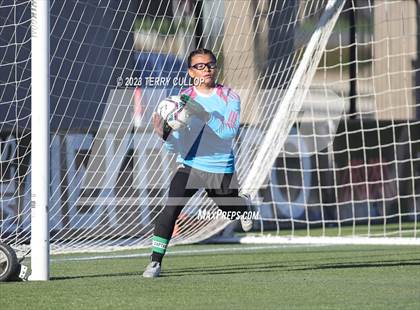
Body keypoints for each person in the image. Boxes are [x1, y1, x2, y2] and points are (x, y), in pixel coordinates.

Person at [143, 48, 252, 278]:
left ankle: (244, 206)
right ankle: (155, 263)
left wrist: (204, 115)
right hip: (190, 164)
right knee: (171, 208)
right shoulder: (182, 99)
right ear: (191, 71)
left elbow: (228, 132)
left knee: (230, 210)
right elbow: (177, 145)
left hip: (220, 168)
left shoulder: (230, 97)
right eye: (200, 66)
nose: (207, 70)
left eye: (210, 64)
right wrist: (165, 136)